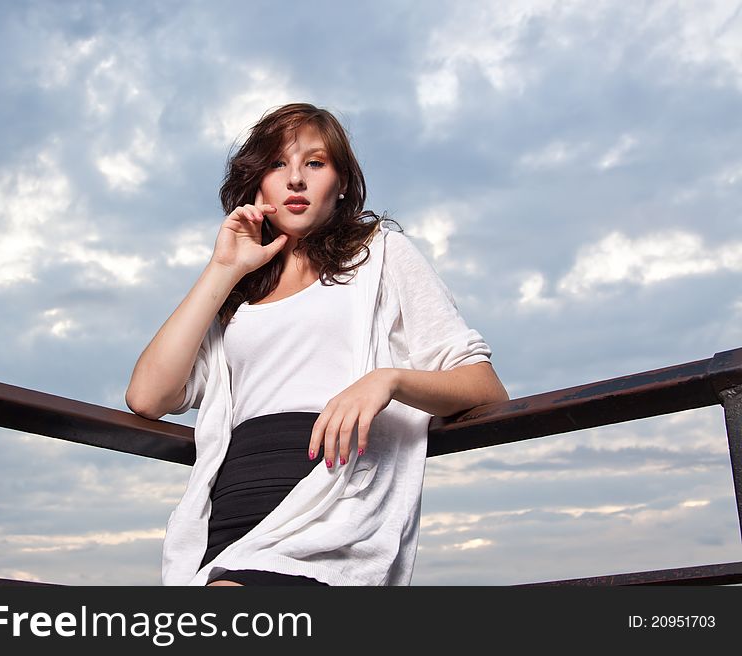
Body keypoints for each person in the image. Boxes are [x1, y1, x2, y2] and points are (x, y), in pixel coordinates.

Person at [125, 103, 508, 586]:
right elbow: (147, 397)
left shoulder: (382, 254)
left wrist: (386, 381)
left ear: (341, 180)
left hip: (329, 501)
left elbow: (485, 388)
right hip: (231, 511)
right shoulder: (240, 294)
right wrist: (223, 270)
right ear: (257, 184)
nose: (295, 181)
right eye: (276, 165)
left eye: (314, 162)